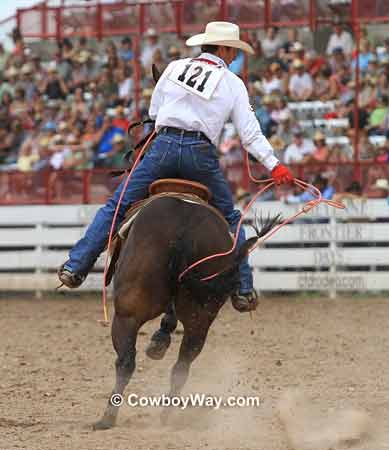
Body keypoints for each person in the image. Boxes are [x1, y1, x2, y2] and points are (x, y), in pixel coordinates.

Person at [58, 22, 295, 311]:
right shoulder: (232, 83)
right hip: (200, 155)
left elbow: (154, 113)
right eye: (232, 50)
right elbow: (250, 134)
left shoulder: (173, 68)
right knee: (231, 220)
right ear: (221, 48)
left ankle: (77, 266)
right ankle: (243, 288)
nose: (233, 57)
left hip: (163, 148)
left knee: (116, 205)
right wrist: (274, 166)